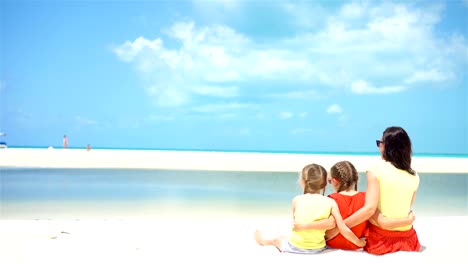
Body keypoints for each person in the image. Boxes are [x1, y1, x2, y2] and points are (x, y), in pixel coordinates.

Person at [328, 126, 421, 255]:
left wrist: (339, 227)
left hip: (380, 241)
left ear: (388, 147)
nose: (378, 147)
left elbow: (369, 210)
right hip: (409, 240)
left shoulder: (375, 169)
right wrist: (408, 221)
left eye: (380, 143)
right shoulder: (414, 176)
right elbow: (404, 210)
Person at [295, 160, 415, 251]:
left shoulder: (332, 199)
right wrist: (407, 220)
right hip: (356, 244)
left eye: (330, 181)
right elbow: (379, 220)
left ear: (335, 181)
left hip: (333, 244)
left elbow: (327, 227)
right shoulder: (366, 198)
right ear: (355, 180)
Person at [254, 163, 366, 254]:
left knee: (277, 239)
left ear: (303, 181)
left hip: (297, 246)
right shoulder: (331, 202)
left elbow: (297, 223)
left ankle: (263, 241)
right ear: (324, 184)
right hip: (318, 248)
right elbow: (342, 227)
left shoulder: (297, 200)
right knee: (284, 237)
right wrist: (358, 242)